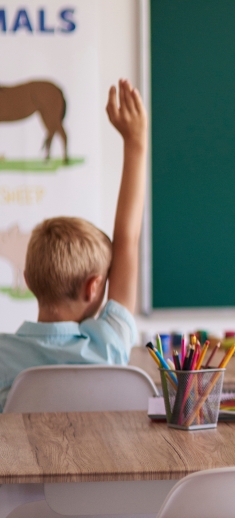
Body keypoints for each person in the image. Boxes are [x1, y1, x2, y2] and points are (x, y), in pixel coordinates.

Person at [0, 80, 147, 409]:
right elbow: (128, 239)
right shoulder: (108, 345)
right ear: (95, 286)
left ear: (27, 279)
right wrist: (135, 141)